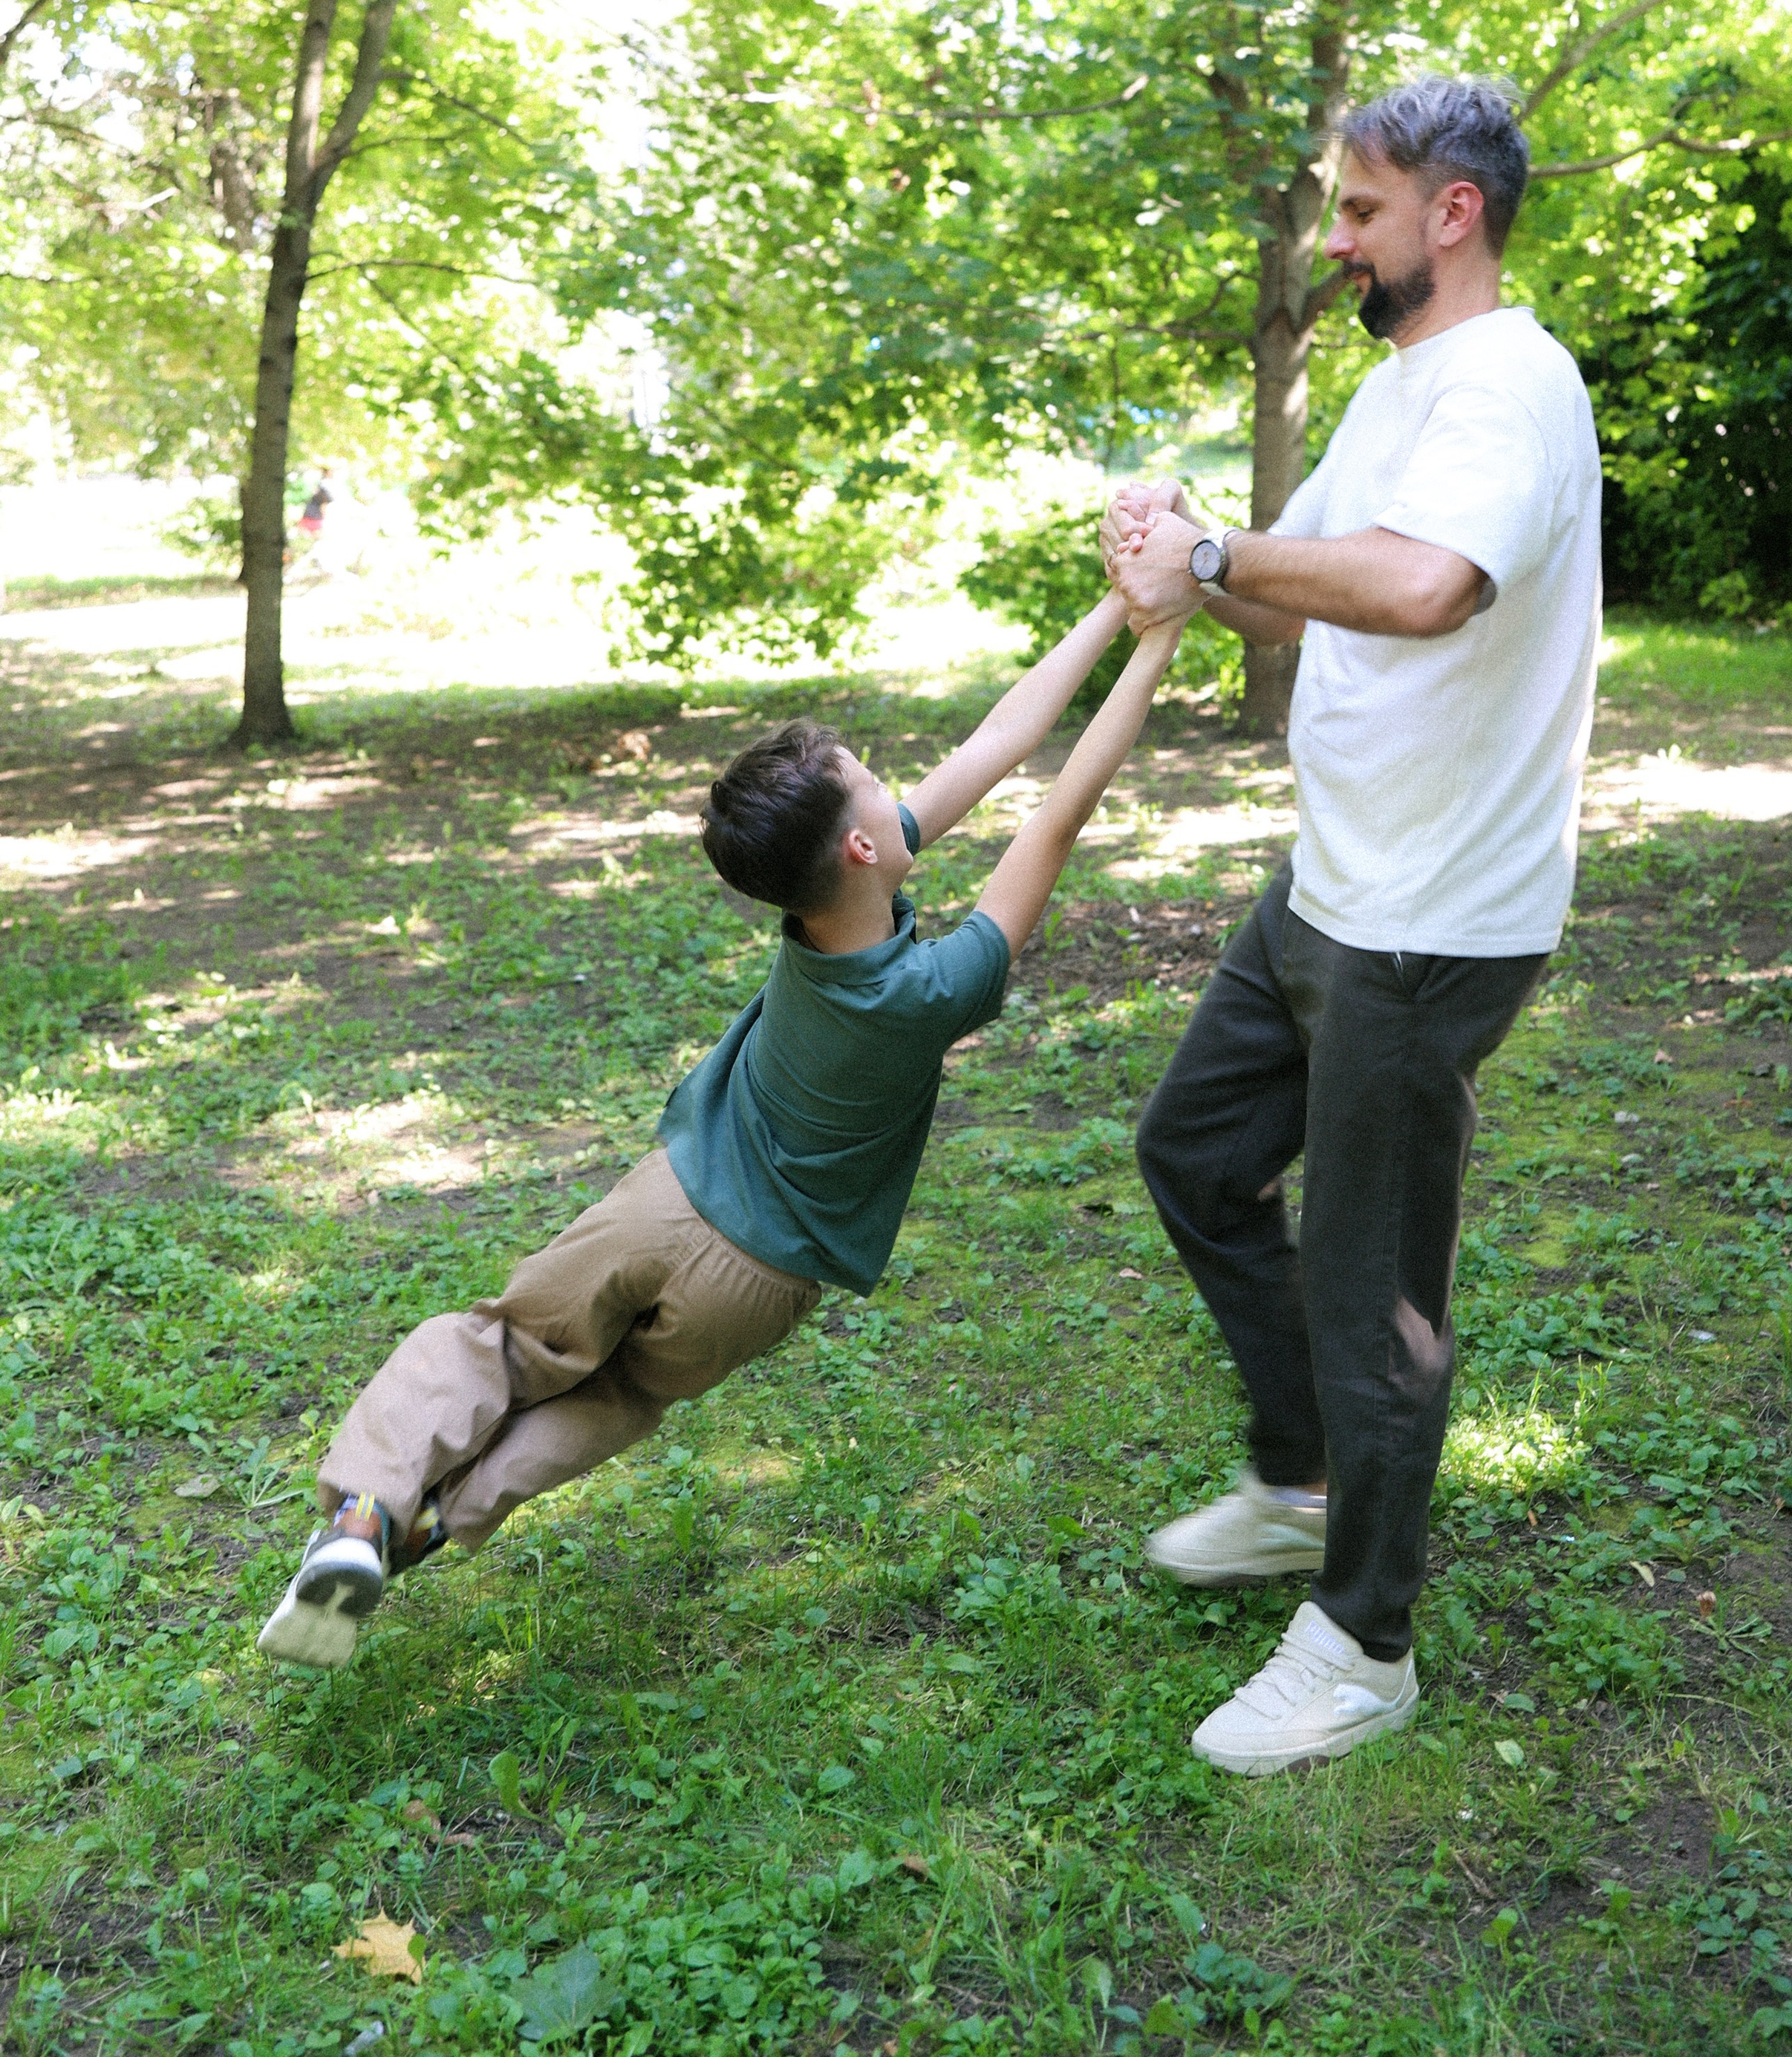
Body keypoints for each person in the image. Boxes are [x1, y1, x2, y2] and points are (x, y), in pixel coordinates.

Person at [257, 588, 1184, 1669]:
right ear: (863, 851)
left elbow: (1001, 741)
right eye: (877, 786)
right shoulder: (933, 988)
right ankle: (421, 1532)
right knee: (615, 1398)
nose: (896, 789)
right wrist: (1154, 632)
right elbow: (1053, 810)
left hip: (665, 1206)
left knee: (502, 1349)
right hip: (760, 1283)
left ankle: (364, 1515)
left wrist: (1128, 607)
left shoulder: (812, 914)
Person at [1107, 74, 1600, 1779]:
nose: (1336, 239)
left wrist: (1221, 551)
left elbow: (1415, 586)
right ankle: (1301, 1480)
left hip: (1430, 919)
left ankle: (1362, 1642)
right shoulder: (1404, 387)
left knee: (1367, 1285)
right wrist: (1181, 547)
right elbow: (1289, 563)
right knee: (1191, 1153)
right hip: (1332, 881)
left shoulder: (1507, 392)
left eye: (1360, 210)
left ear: (1448, 214)